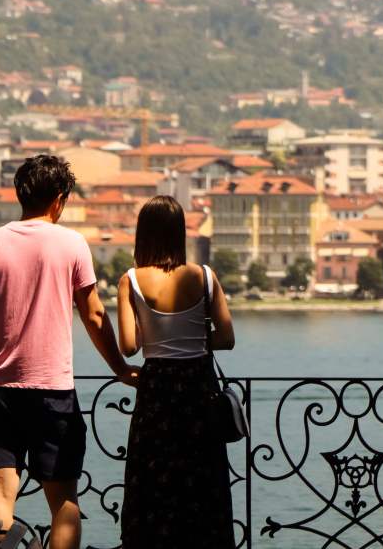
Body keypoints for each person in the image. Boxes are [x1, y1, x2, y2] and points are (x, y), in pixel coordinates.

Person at [0, 154, 138, 549]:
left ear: (21, 194)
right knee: (64, 500)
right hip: (52, 390)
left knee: (0, 492)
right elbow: (93, 315)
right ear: (59, 198)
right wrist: (120, 368)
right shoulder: (73, 244)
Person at [117, 194, 236, 549]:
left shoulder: (131, 280)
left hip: (156, 390)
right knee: (201, 478)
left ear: (143, 234)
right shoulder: (205, 276)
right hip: (198, 386)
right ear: (179, 233)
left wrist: (157, 335)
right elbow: (226, 338)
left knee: (153, 478)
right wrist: (191, 340)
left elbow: (128, 346)